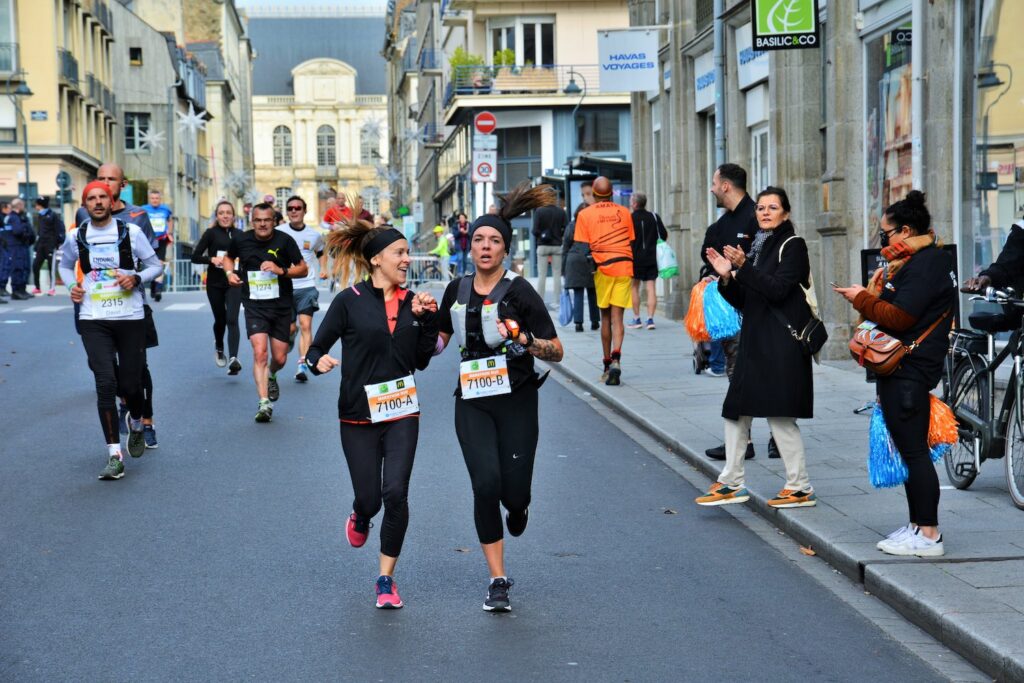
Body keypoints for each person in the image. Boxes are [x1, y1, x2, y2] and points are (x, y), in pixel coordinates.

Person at [435, 182, 564, 612]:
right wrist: (413, 325)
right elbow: (435, 343)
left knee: (515, 493)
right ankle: (497, 579)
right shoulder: (456, 290)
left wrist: (526, 339)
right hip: (471, 397)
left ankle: (520, 506)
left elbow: (556, 349)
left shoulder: (520, 291)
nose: (485, 246)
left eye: (494, 241)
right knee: (484, 484)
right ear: (469, 248)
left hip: (517, 398)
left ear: (505, 250)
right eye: (478, 240)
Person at [305, 218, 439, 610]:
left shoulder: (413, 300)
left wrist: (427, 321)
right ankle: (361, 516)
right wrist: (319, 362)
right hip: (357, 414)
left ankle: (385, 579)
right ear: (377, 259)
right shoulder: (350, 300)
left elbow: (421, 361)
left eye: (407, 252)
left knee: (395, 493)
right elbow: (315, 348)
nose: (407, 259)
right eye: (399, 252)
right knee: (370, 499)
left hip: (401, 411)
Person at [835, 191, 955, 556]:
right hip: (906, 368)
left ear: (905, 231)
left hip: (910, 369)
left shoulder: (925, 264)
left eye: (885, 234)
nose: (882, 241)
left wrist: (861, 298)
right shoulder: (919, 261)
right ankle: (918, 524)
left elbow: (900, 317)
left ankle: (929, 534)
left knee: (914, 452)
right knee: (908, 451)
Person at [696, 187, 817, 509]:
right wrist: (726, 279)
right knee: (735, 410)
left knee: (779, 417)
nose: (764, 212)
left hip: (780, 345)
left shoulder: (793, 246)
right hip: (756, 342)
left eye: (772, 207)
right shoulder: (758, 248)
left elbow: (778, 290)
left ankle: (799, 487)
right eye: (761, 208)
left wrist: (744, 269)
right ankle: (730, 481)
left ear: (786, 214)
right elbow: (746, 300)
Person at [58, 181, 163, 480]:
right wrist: (72, 287)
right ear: (85, 205)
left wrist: (137, 278)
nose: (98, 202)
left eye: (103, 196)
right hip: (94, 318)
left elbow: (156, 265)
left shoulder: (130, 232)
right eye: (91, 198)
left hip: (130, 317)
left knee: (131, 385)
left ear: (112, 200)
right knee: (105, 382)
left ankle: (139, 422)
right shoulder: (76, 235)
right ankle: (115, 454)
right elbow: (65, 265)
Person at [75, 163, 160, 448]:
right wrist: (76, 288)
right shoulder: (82, 216)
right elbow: (75, 258)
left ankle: (145, 420)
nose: (105, 185)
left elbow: (150, 261)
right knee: (103, 371)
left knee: (136, 370)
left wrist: (135, 279)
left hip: (131, 307)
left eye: (111, 180)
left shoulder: (137, 218)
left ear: (121, 186)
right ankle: (119, 402)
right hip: (93, 307)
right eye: (100, 179)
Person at [701, 163, 775, 462]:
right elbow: (708, 255)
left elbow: (770, 260)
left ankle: (777, 437)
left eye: (714, 182)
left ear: (727, 186)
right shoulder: (721, 225)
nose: (712, 188)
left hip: (761, 308)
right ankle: (743, 441)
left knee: (767, 373)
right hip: (732, 309)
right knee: (737, 374)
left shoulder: (757, 216)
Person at [223, 203, 307, 422]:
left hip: (280, 306)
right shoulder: (241, 240)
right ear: (253, 221)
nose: (262, 224)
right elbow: (228, 258)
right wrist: (229, 273)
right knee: (259, 352)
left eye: (267, 220)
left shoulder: (285, 241)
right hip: (254, 305)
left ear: (274, 221)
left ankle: (272, 374)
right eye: (258, 220)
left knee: (279, 357)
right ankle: (264, 403)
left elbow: (303, 268)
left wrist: (282, 270)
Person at [572, 176, 634, 386]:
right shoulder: (624, 212)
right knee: (619, 317)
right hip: (624, 266)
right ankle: (617, 357)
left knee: (605, 317)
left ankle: (607, 365)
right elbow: (630, 240)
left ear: (594, 194)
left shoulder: (585, 214)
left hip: (603, 268)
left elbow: (581, 247)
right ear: (611, 193)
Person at [191, 201, 244, 374]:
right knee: (220, 320)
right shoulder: (211, 234)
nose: (225, 216)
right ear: (217, 216)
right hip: (214, 284)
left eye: (228, 212)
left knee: (232, 319)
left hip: (234, 282)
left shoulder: (240, 234)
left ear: (233, 216)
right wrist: (211, 259)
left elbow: (247, 256)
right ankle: (220, 346)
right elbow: (195, 257)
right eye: (221, 213)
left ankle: (234, 358)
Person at [280, 195, 327, 382]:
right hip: (285, 286)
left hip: (307, 286)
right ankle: (291, 336)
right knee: (291, 328)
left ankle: (302, 364)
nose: (294, 211)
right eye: (290, 208)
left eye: (298, 208)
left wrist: (323, 268)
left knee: (306, 325)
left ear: (304, 211)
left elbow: (321, 251)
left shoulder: (313, 235)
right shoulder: (279, 231)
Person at [627, 192, 668, 330]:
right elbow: (664, 235)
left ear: (634, 203)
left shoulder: (630, 218)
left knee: (634, 287)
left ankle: (636, 318)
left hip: (635, 259)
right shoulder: (654, 217)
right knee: (651, 288)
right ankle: (650, 320)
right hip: (652, 257)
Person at [561, 193, 600, 332]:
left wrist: (563, 270)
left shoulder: (571, 226)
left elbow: (565, 247)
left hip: (574, 260)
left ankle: (578, 323)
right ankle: (595, 321)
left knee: (578, 293)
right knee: (592, 292)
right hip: (590, 260)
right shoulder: (593, 226)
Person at [532, 198, 567, 304]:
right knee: (557, 274)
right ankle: (557, 300)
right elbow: (565, 227)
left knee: (542, 274)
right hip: (556, 245)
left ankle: (540, 300)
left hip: (543, 246)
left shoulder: (539, 211)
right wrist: (559, 236)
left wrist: (541, 236)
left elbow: (534, 230)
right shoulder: (561, 211)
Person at [0, 198, 34, 300]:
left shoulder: (19, 217)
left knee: (23, 267)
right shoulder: (14, 217)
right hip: (15, 246)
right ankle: (17, 291)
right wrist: (25, 228)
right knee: (17, 268)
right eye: (22, 205)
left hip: (20, 245)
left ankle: (21, 290)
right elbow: (18, 231)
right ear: (19, 206)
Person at [143, 189, 174, 301]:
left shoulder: (165, 209)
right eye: (152, 198)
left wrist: (169, 233)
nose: (155, 200)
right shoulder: (144, 209)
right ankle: (153, 285)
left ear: (160, 199)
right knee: (152, 265)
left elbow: (170, 221)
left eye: (157, 198)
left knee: (159, 264)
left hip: (161, 240)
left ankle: (158, 290)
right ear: (149, 199)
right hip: (148, 240)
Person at [32, 196, 65, 296]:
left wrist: (57, 243)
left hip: (50, 245)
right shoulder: (40, 216)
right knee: (35, 265)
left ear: (40, 205)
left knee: (51, 267)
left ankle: (52, 288)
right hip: (41, 245)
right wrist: (36, 245)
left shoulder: (52, 215)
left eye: (37, 205)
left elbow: (58, 229)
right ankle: (37, 288)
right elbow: (40, 232)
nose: (36, 207)